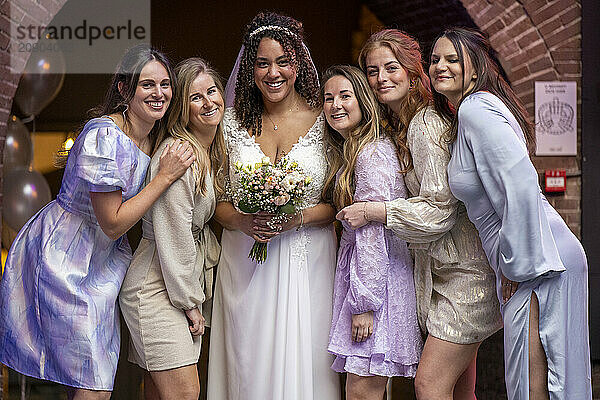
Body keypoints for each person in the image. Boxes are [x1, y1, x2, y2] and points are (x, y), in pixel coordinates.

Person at [0, 45, 195, 399]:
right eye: (147, 85)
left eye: (165, 84)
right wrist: (163, 178)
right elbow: (112, 222)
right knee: (94, 382)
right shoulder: (102, 135)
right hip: (65, 258)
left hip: (104, 265)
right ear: (124, 89)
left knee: (98, 381)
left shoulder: (152, 139)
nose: (159, 93)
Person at [336, 29, 501, 400]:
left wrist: (375, 211)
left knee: (429, 385)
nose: (381, 78)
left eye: (391, 68)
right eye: (372, 71)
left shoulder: (425, 123)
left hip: (464, 277)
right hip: (441, 274)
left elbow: (440, 210)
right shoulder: (404, 124)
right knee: (461, 392)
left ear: (413, 71)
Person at [429, 27, 592, 399]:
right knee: (537, 381)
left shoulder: (475, 108)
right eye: (435, 59)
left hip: (537, 260)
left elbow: (520, 182)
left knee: (534, 384)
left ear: (475, 68)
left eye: (452, 59)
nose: (440, 66)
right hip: (535, 254)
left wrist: (516, 264)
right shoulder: (472, 110)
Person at [207, 12, 341, 400]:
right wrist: (245, 220)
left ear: (298, 64)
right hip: (245, 258)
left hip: (308, 259)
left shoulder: (325, 120)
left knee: (309, 362)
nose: (273, 72)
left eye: (282, 61)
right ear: (250, 69)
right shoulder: (230, 123)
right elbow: (213, 201)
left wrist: (294, 218)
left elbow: (339, 202)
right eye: (262, 63)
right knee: (246, 363)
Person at [119, 57, 225, 400]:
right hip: (155, 289)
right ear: (182, 107)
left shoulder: (207, 150)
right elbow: (174, 235)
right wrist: (190, 303)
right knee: (184, 394)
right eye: (196, 97)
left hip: (174, 287)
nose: (208, 102)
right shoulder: (178, 154)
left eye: (212, 91)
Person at [322, 65, 423, 400]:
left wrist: (364, 303)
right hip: (373, 279)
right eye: (328, 98)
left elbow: (372, 233)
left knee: (362, 391)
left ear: (363, 101)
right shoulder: (356, 149)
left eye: (345, 96)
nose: (335, 104)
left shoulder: (371, 153)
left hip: (376, 285)